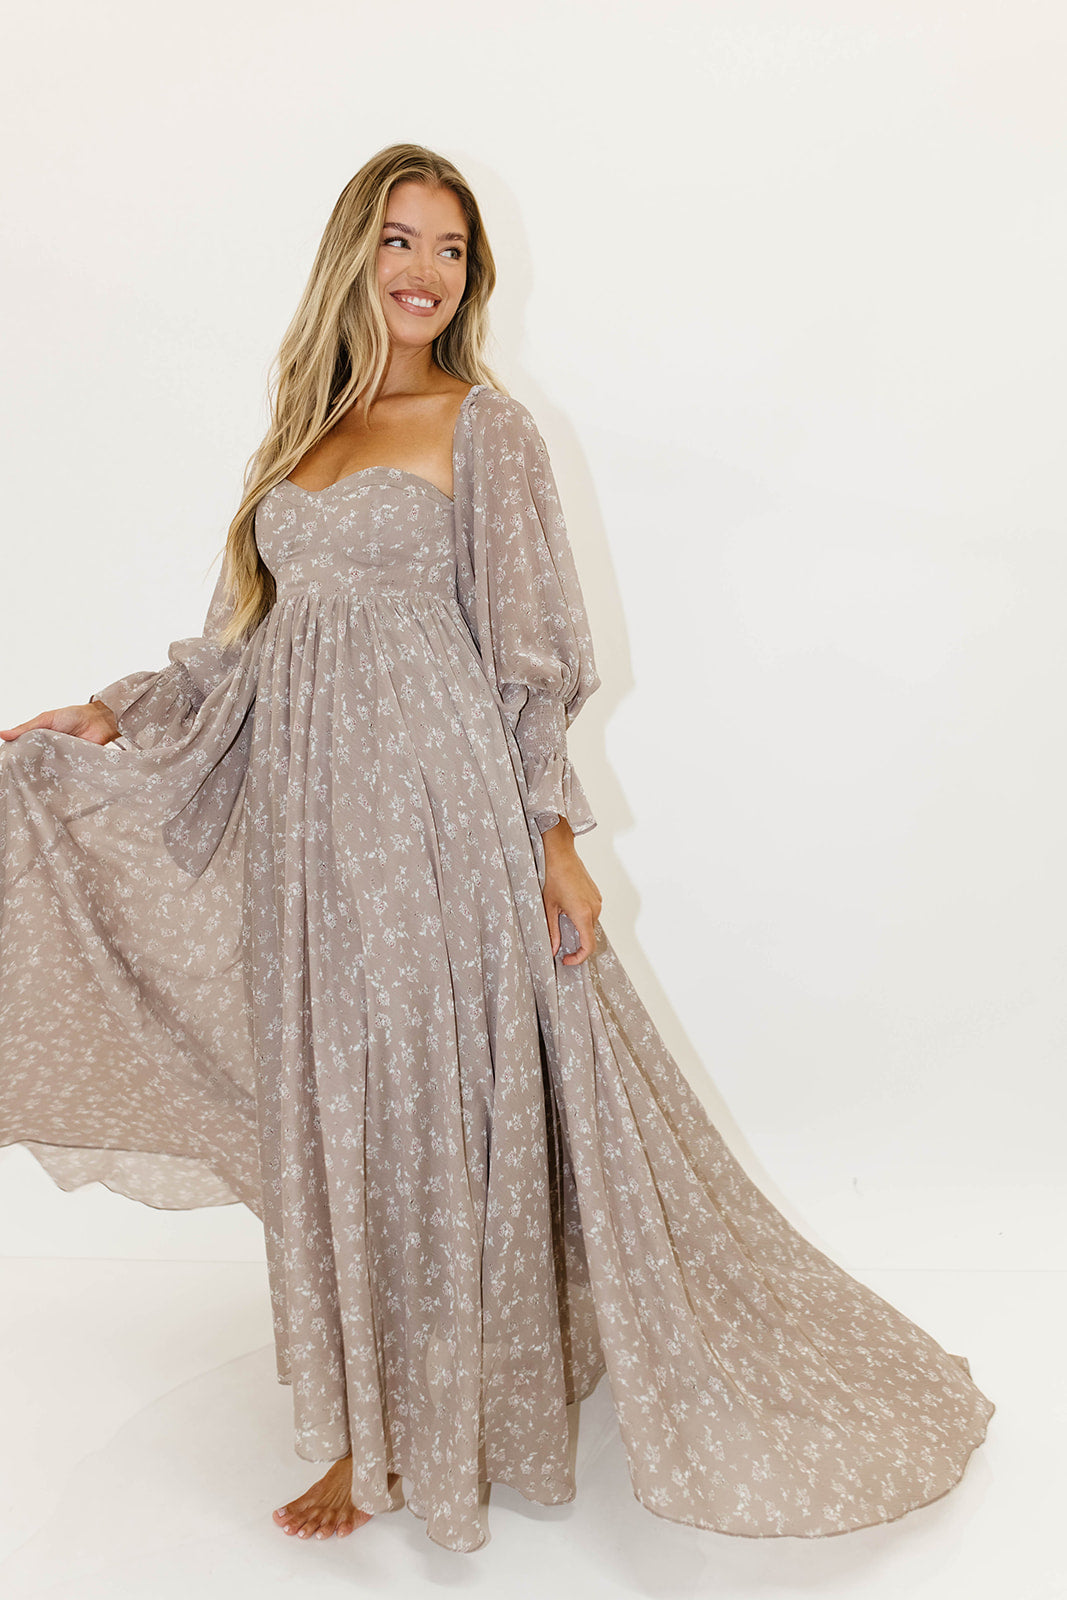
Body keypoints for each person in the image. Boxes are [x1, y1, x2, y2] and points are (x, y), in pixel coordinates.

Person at [0, 143, 994, 1554]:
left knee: (432, 1101)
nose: (423, 270)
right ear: (353, 255)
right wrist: (112, 712)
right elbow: (244, 652)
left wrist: (554, 841)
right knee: (340, 1103)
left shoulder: (487, 426)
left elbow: (530, 653)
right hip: (308, 843)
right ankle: (371, 1417)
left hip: (436, 823)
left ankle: (444, 1421)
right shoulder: (300, 434)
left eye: (451, 249)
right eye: (399, 240)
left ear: (473, 277)